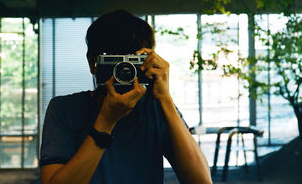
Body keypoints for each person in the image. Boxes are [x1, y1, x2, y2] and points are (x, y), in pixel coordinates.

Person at [40, 10, 212, 184]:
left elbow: (202, 181)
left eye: (132, 62)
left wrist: (165, 99)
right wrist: (105, 122)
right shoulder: (65, 109)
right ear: (93, 63)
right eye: (115, 61)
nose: (124, 72)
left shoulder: (158, 108)